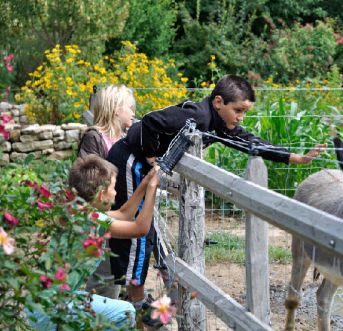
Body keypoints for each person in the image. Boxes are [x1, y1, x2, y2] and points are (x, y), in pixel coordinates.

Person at [106, 74, 326, 318]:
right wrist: (150, 157)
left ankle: (142, 302)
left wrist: (293, 157)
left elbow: (248, 142)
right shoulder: (199, 116)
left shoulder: (218, 123)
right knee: (136, 234)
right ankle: (135, 305)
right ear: (219, 102)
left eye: (244, 112)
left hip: (141, 167)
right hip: (130, 161)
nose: (241, 117)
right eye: (238, 110)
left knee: (144, 233)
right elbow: (150, 121)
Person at [29, 155, 160, 330]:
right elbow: (140, 228)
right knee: (126, 311)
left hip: (42, 304)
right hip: (51, 308)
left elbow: (124, 214)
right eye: (113, 187)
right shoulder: (90, 219)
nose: (115, 192)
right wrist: (152, 188)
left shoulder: (82, 211)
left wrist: (144, 184)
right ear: (100, 194)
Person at [77, 84, 136, 299]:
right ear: (115, 109)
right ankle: (93, 312)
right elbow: (89, 178)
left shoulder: (126, 137)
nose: (133, 112)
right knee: (105, 270)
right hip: (102, 215)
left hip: (120, 210)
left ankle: (103, 311)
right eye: (130, 107)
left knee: (114, 268)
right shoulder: (94, 137)